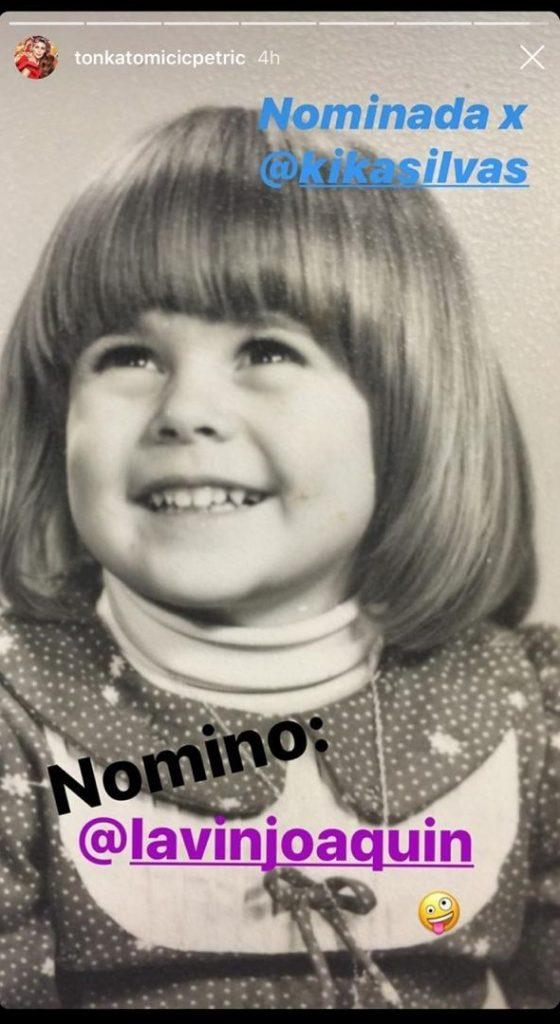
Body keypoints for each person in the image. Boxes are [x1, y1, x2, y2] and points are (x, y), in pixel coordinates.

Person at [0, 106, 558, 1010]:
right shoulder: (17, 716)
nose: (185, 411)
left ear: (406, 410)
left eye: (265, 349)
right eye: (129, 356)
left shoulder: (521, 705)